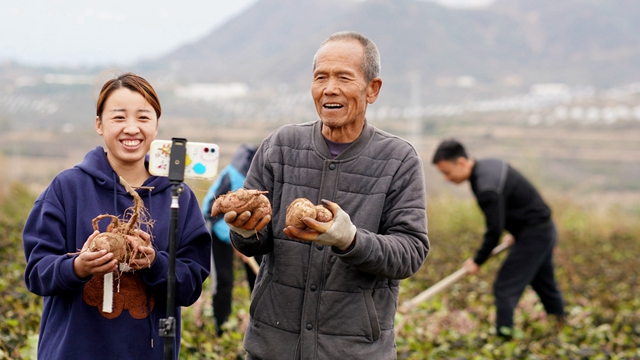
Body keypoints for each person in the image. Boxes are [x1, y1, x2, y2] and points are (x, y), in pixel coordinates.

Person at [217, 31, 430, 359]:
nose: (329, 88)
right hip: (273, 346)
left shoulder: (398, 159)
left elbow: (411, 252)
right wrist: (245, 231)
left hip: (353, 350)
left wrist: (351, 239)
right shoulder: (280, 146)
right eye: (321, 77)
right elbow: (257, 242)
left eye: (344, 77)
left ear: (372, 89)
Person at [22, 72, 211, 359]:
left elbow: (190, 286)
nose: (131, 128)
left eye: (143, 118)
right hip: (73, 351)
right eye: (119, 118)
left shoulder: (178, 197)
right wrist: (78, 267)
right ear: (99, 124)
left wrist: (155, 263)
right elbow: (37, 273)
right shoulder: (67, 188)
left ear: (156, 124)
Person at [431, 139, 565, 338]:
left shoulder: (486, 187)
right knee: (544, 284)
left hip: (535, 234)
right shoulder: (487, 167)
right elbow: (515, 203)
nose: (446, 178)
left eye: (447, 172)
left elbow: (494, 230)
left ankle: (504, 340)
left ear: (461, 163)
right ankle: (560, 327)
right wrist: (517, 230)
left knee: (504, 287)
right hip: (540, 228)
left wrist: (477, 260)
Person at [201, 144, 262, 336]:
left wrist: (247, 239)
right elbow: (210, 210)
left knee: (259, 278)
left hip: (252, 231)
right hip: (219, 229)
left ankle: (258, 326)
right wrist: (233, 238)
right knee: (224, 280)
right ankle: (222, 327)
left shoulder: (267, 176)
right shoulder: (233, 175)